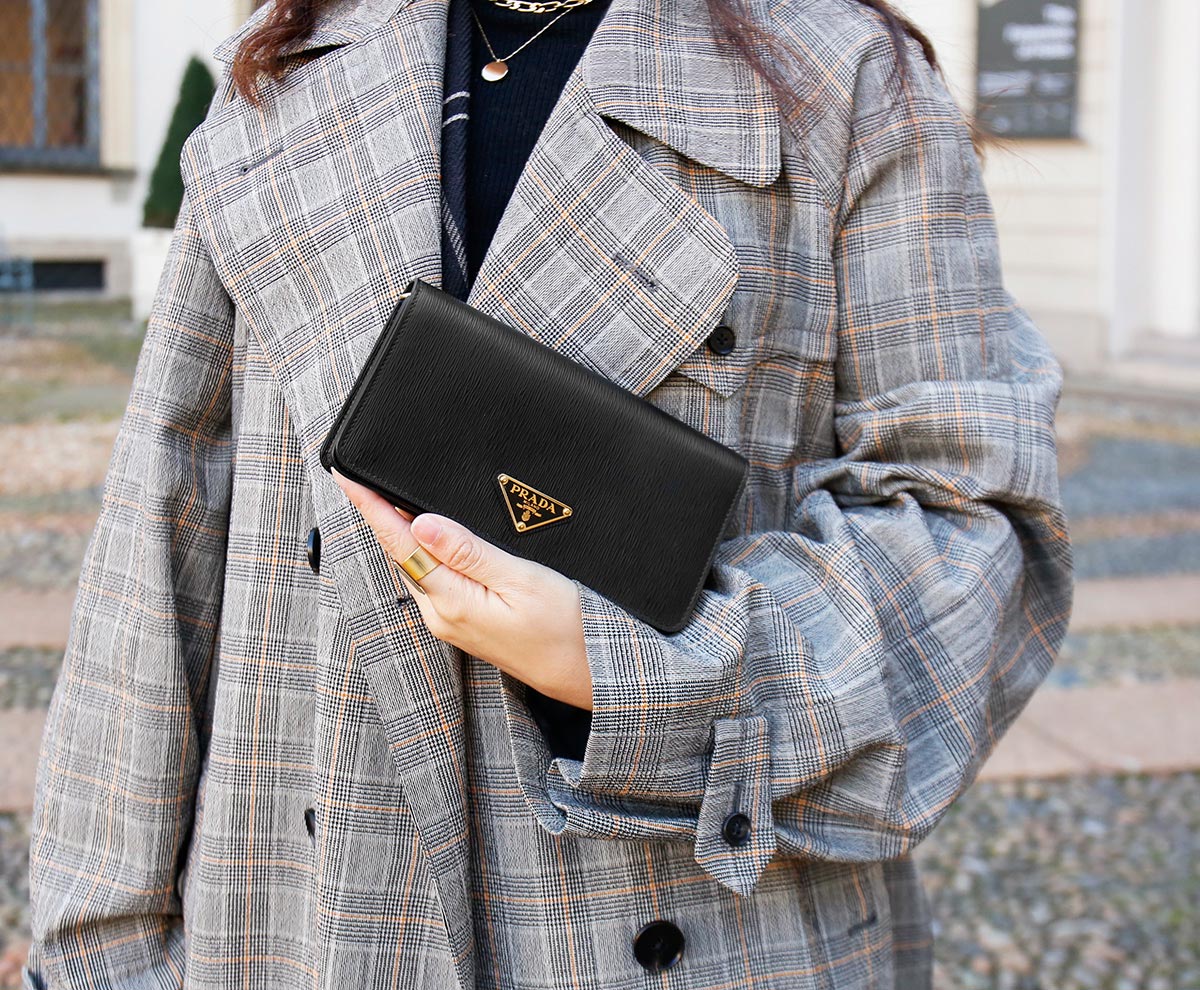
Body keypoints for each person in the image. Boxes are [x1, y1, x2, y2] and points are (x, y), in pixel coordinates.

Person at [22, 0, 1074, 984]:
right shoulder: (291, 59)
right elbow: (163, 524)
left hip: (695, 914)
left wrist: (638, 669)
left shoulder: (839, 73)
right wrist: (98, 941)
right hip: (302, 905)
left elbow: (972, 524)